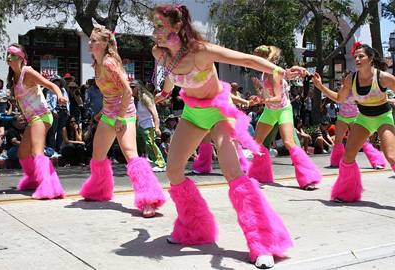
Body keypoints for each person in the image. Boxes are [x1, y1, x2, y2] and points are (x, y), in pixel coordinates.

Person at [151, 5, 308, 268]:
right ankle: (193, 228)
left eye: (159, 26)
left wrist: (279, 71)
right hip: (192, 114)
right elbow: (170, 74)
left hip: (218, 112)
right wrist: (166, 93)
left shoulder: (201, 51)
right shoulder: (160, 53)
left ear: (177, 27)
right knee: (173, 170)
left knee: (233, 173)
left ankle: (262, 243)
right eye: (154, 26)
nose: (154, 32)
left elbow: (245, 59)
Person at [79, 27, 166, 218]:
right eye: (90, 40)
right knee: (98, 155)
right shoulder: (97, 63)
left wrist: (119, 118)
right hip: (109, 113)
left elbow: (127, 92)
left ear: (103, 44)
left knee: (130, 155)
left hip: (124, 114)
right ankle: (99, 191)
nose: (90, 43)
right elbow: (111, 93)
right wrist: (103, 112)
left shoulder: (110, 63)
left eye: (93, 40)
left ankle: (148, 200)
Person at [312, 43, 395, 202]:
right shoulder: (351, 78)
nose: (357, 59)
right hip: (363, 118)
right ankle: (346, 193)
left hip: (383, 117)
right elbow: (339, 98)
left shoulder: (383, 77)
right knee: (348, 156)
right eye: (355, 56)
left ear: (370, 59)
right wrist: (320, 86)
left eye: (361, 56)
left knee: (391, 156)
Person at [247, 45, 321, 190]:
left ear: (264, 59)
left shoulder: (273, 73)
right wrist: (258, 90)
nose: (253, 60)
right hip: (270, 110)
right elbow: (266, 96)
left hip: (282, 109)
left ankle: (308, 178)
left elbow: (276, 98)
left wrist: (260, 100)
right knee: (257, 142)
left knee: (288, 142)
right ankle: (260, 175)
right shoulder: (264, 73)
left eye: (256, 58)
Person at [6, 43, 66, 199]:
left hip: (42, 115)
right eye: (7, 54)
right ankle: (34, 179)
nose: (8, 57)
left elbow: (50, 84)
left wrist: (59, 96)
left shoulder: (28, 72)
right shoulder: (14, 77)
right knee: (22, 153)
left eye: (12, 55)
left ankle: (46, 187)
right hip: (32, 119)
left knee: (37, 152)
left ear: (20, 58)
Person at [325, 70, 386, 170]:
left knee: (362, 141)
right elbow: (336, 98)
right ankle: (336, 162)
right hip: (342, 117)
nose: (340, 78)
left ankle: (377, 162)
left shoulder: (355, 89)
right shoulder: (341, 90)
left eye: (342, 77)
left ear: (346, 79)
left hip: (355, 117)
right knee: (338, 141)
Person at [131, 79, 166, 172]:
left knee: (150, 144)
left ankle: (161, 164)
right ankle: (137, 163)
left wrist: (157, 127)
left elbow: (154, 113)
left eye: (133, 87)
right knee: (137, 144)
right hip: (140, 125)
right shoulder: (135, 99)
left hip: (148, 125)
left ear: (138, 88)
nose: (131, 89)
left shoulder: (145, 98)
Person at [46, 75, 70, 153]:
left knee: (61, 131)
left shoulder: (63, 90)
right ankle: (52, 148)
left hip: (64, 112)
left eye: (58, 81)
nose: (57, 83)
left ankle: (59, 148)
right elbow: (48, 103)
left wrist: (67, 111)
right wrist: (53, 111)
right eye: (55, 81)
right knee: (53, 131)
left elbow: (67, 101)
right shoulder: (50, 91)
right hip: (55, 112)